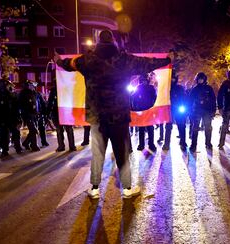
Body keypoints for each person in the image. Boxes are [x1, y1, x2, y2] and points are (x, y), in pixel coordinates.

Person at [54, 29, 172, 199]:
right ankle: (127, 189)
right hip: (119, 117)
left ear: (97, 41)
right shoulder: (124, 60)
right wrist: (168, 59)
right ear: (114, 42)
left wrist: (58, 60)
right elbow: (148, 63)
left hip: (97, 117)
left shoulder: (87, 60)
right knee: (122, 153)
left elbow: (68, 64)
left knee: (97, 154)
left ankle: (94, 189)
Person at [0, 78, 23, 156]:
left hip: (11, 118)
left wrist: (19, 118)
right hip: (4, 118)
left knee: (14, 134)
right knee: (5, 135)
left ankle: (17, 148)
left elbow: (17, 107)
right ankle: (6, 150)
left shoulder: (12, 95)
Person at [189, 72, 216, 152]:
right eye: (199, 79)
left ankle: (208, 143)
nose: (200, 80)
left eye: (202, 79)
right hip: (197, 111)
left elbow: (213, 100)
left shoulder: (209, 88)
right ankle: (193, 145)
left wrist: (213, 110)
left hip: (207, 111)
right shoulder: (195, 89)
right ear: (197, 79)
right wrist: (190, 110)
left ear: (204, 79)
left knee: (208, 127)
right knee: (195, 128)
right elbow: (190, 100)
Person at [162, 72, 188, 151]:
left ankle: (183, 142)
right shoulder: (166, 88)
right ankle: (166, 144)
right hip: (169, 109)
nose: (173, 80)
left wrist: (185, 108)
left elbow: (184, 98)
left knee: (181, 126)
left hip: (179, 108)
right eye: (171, 78)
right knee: (168, 126)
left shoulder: (180, 88)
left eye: (174, 78)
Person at [47, 84, 76, 152]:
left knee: (66, 130)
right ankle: (65, 146)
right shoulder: (56, 90)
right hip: (59, 112)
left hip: (64, 112)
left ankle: (66, 146)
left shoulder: (65, 89)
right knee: (63, 130)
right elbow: (50, 102)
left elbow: (50, 103)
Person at [135, 74, 157, 152]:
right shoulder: (138, 88)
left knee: (150, 128)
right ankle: (141, 144)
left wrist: (153, 107)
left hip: (149, 110)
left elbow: (154, 98)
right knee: (141, 128)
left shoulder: (151, 88)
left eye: (145, 80)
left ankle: (151, 144)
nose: (144, 82)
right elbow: (135, 98)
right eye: (143, 80)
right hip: (141, 110)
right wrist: (136, 107)